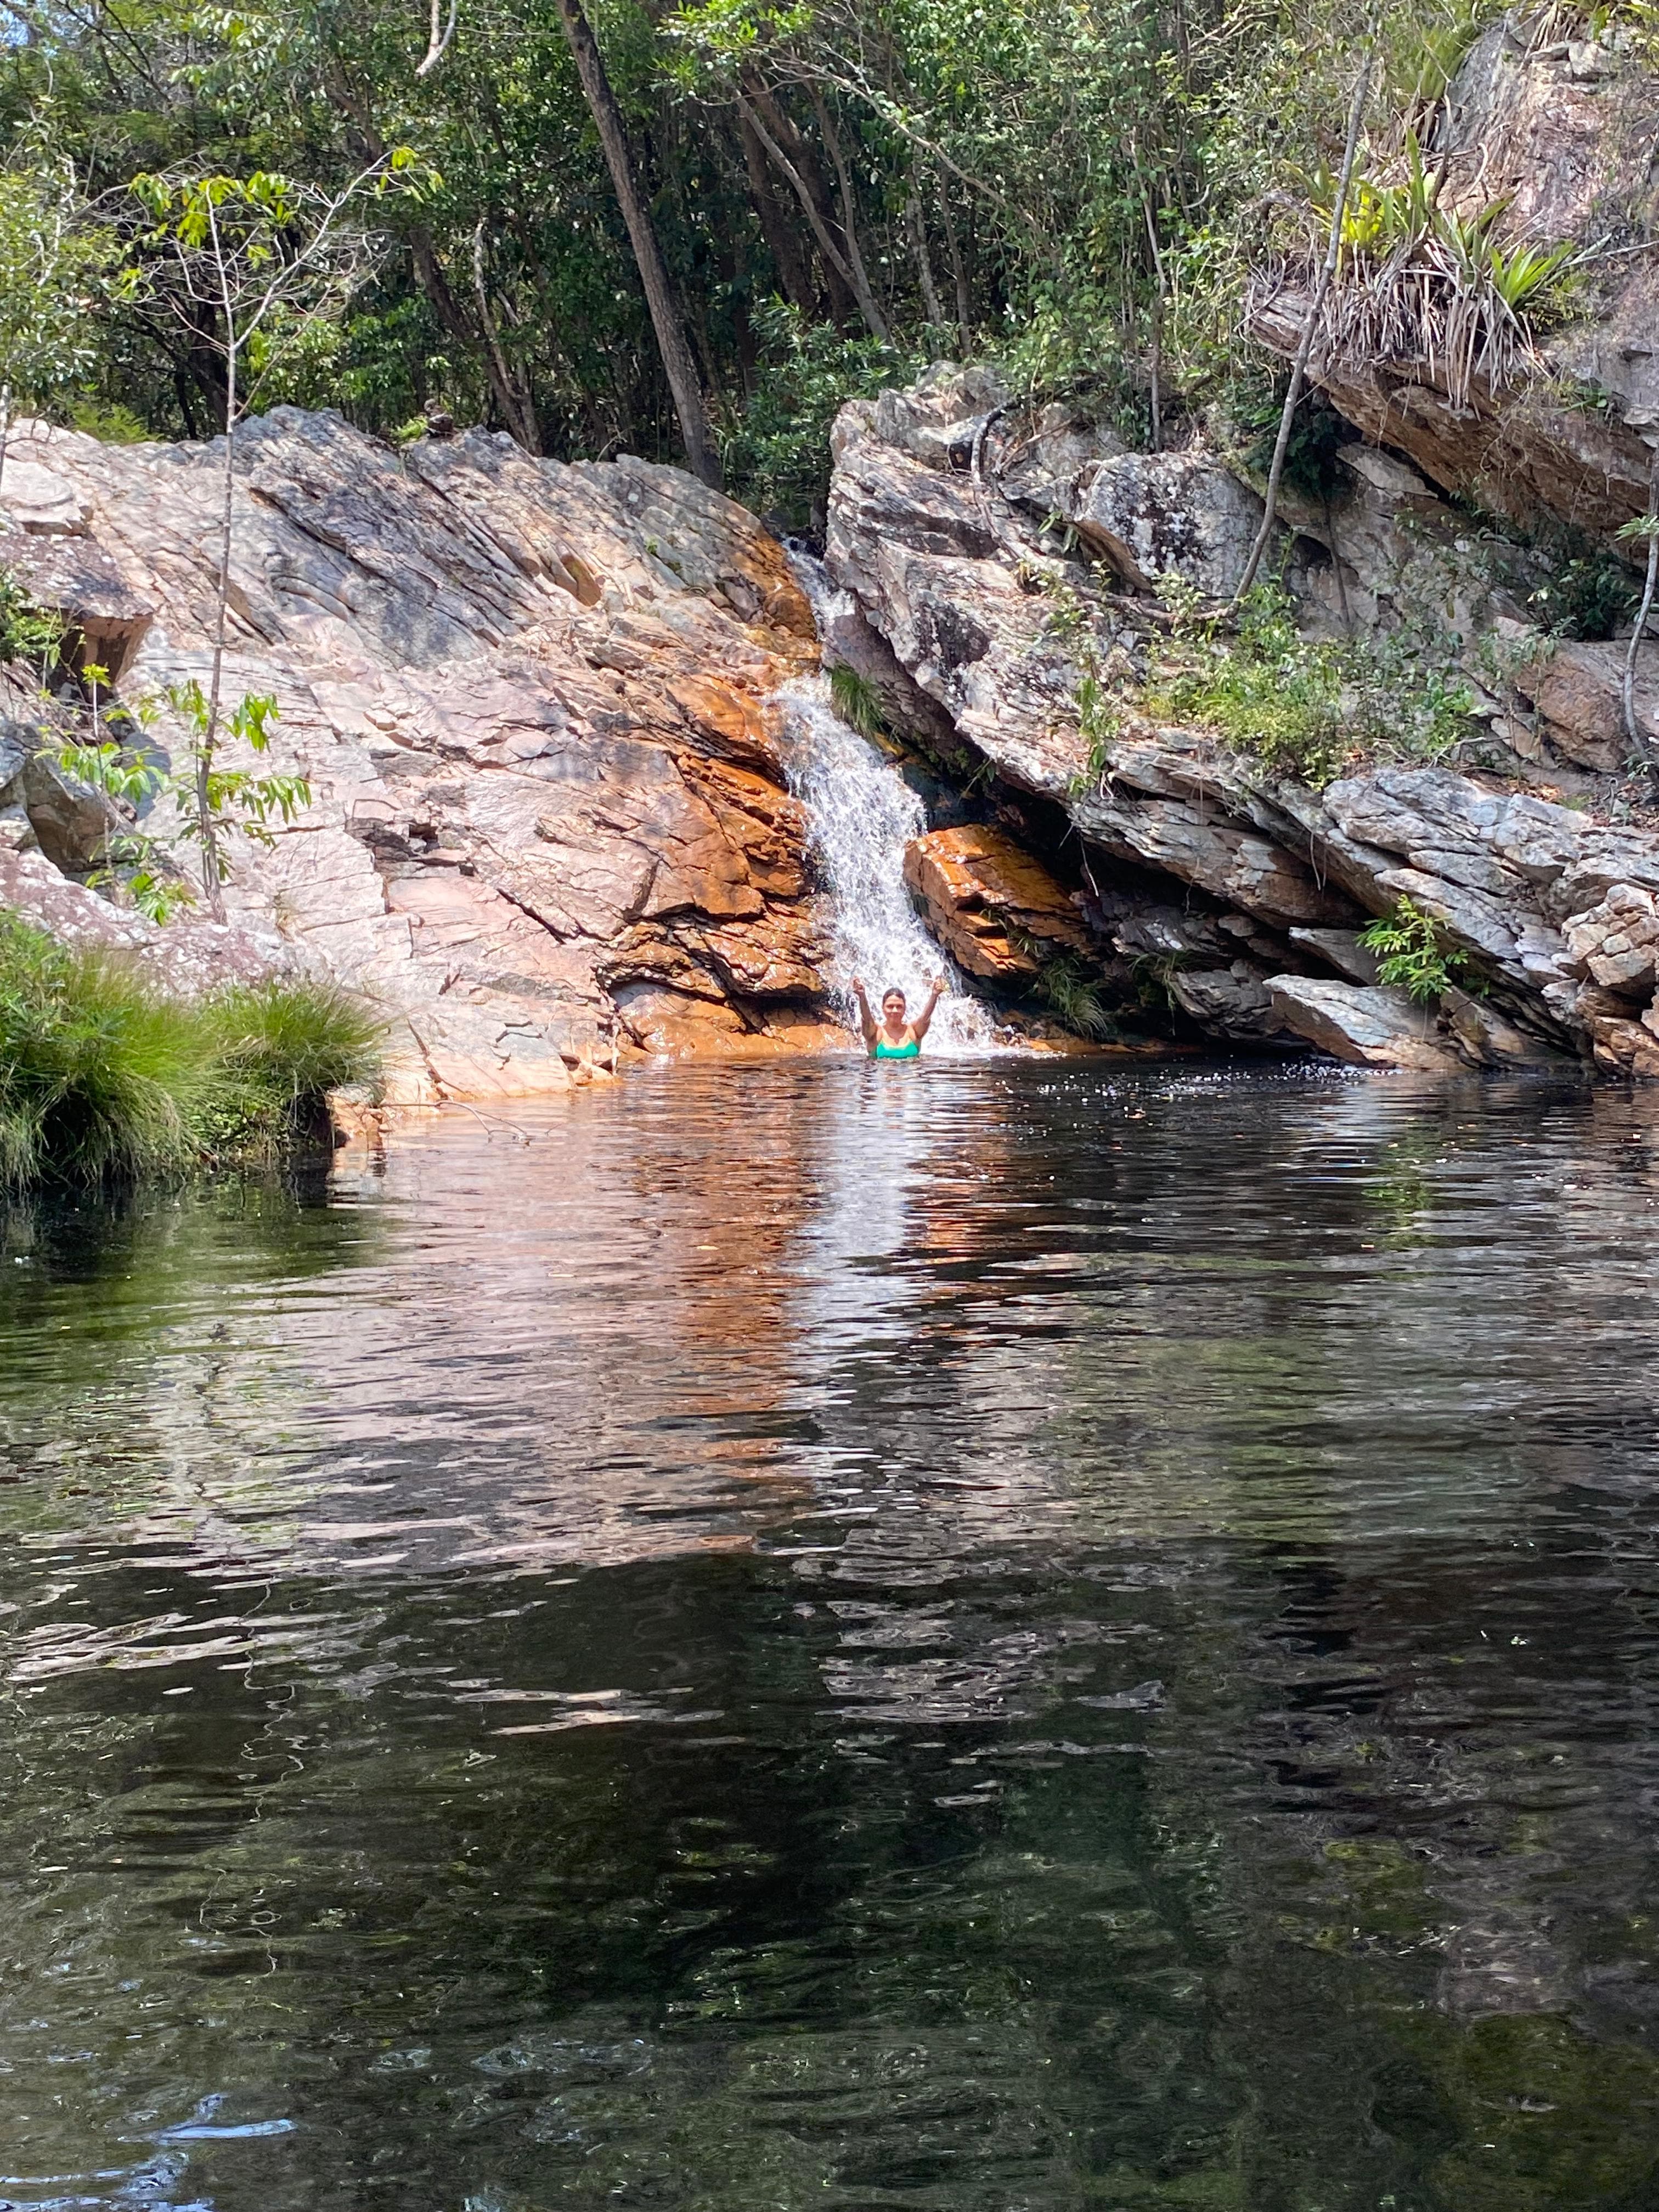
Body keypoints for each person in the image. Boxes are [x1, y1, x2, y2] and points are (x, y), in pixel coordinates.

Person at [851, 974, 947, 1060]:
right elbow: (867, 1019)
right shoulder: (876, 1033)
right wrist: (862, 996)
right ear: (883, 1008)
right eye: (890, 1006)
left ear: (905, 1008)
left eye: (899, 1007)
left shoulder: (913, 1031)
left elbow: (925, 1018)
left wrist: (934, 995)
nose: (895, 1011)